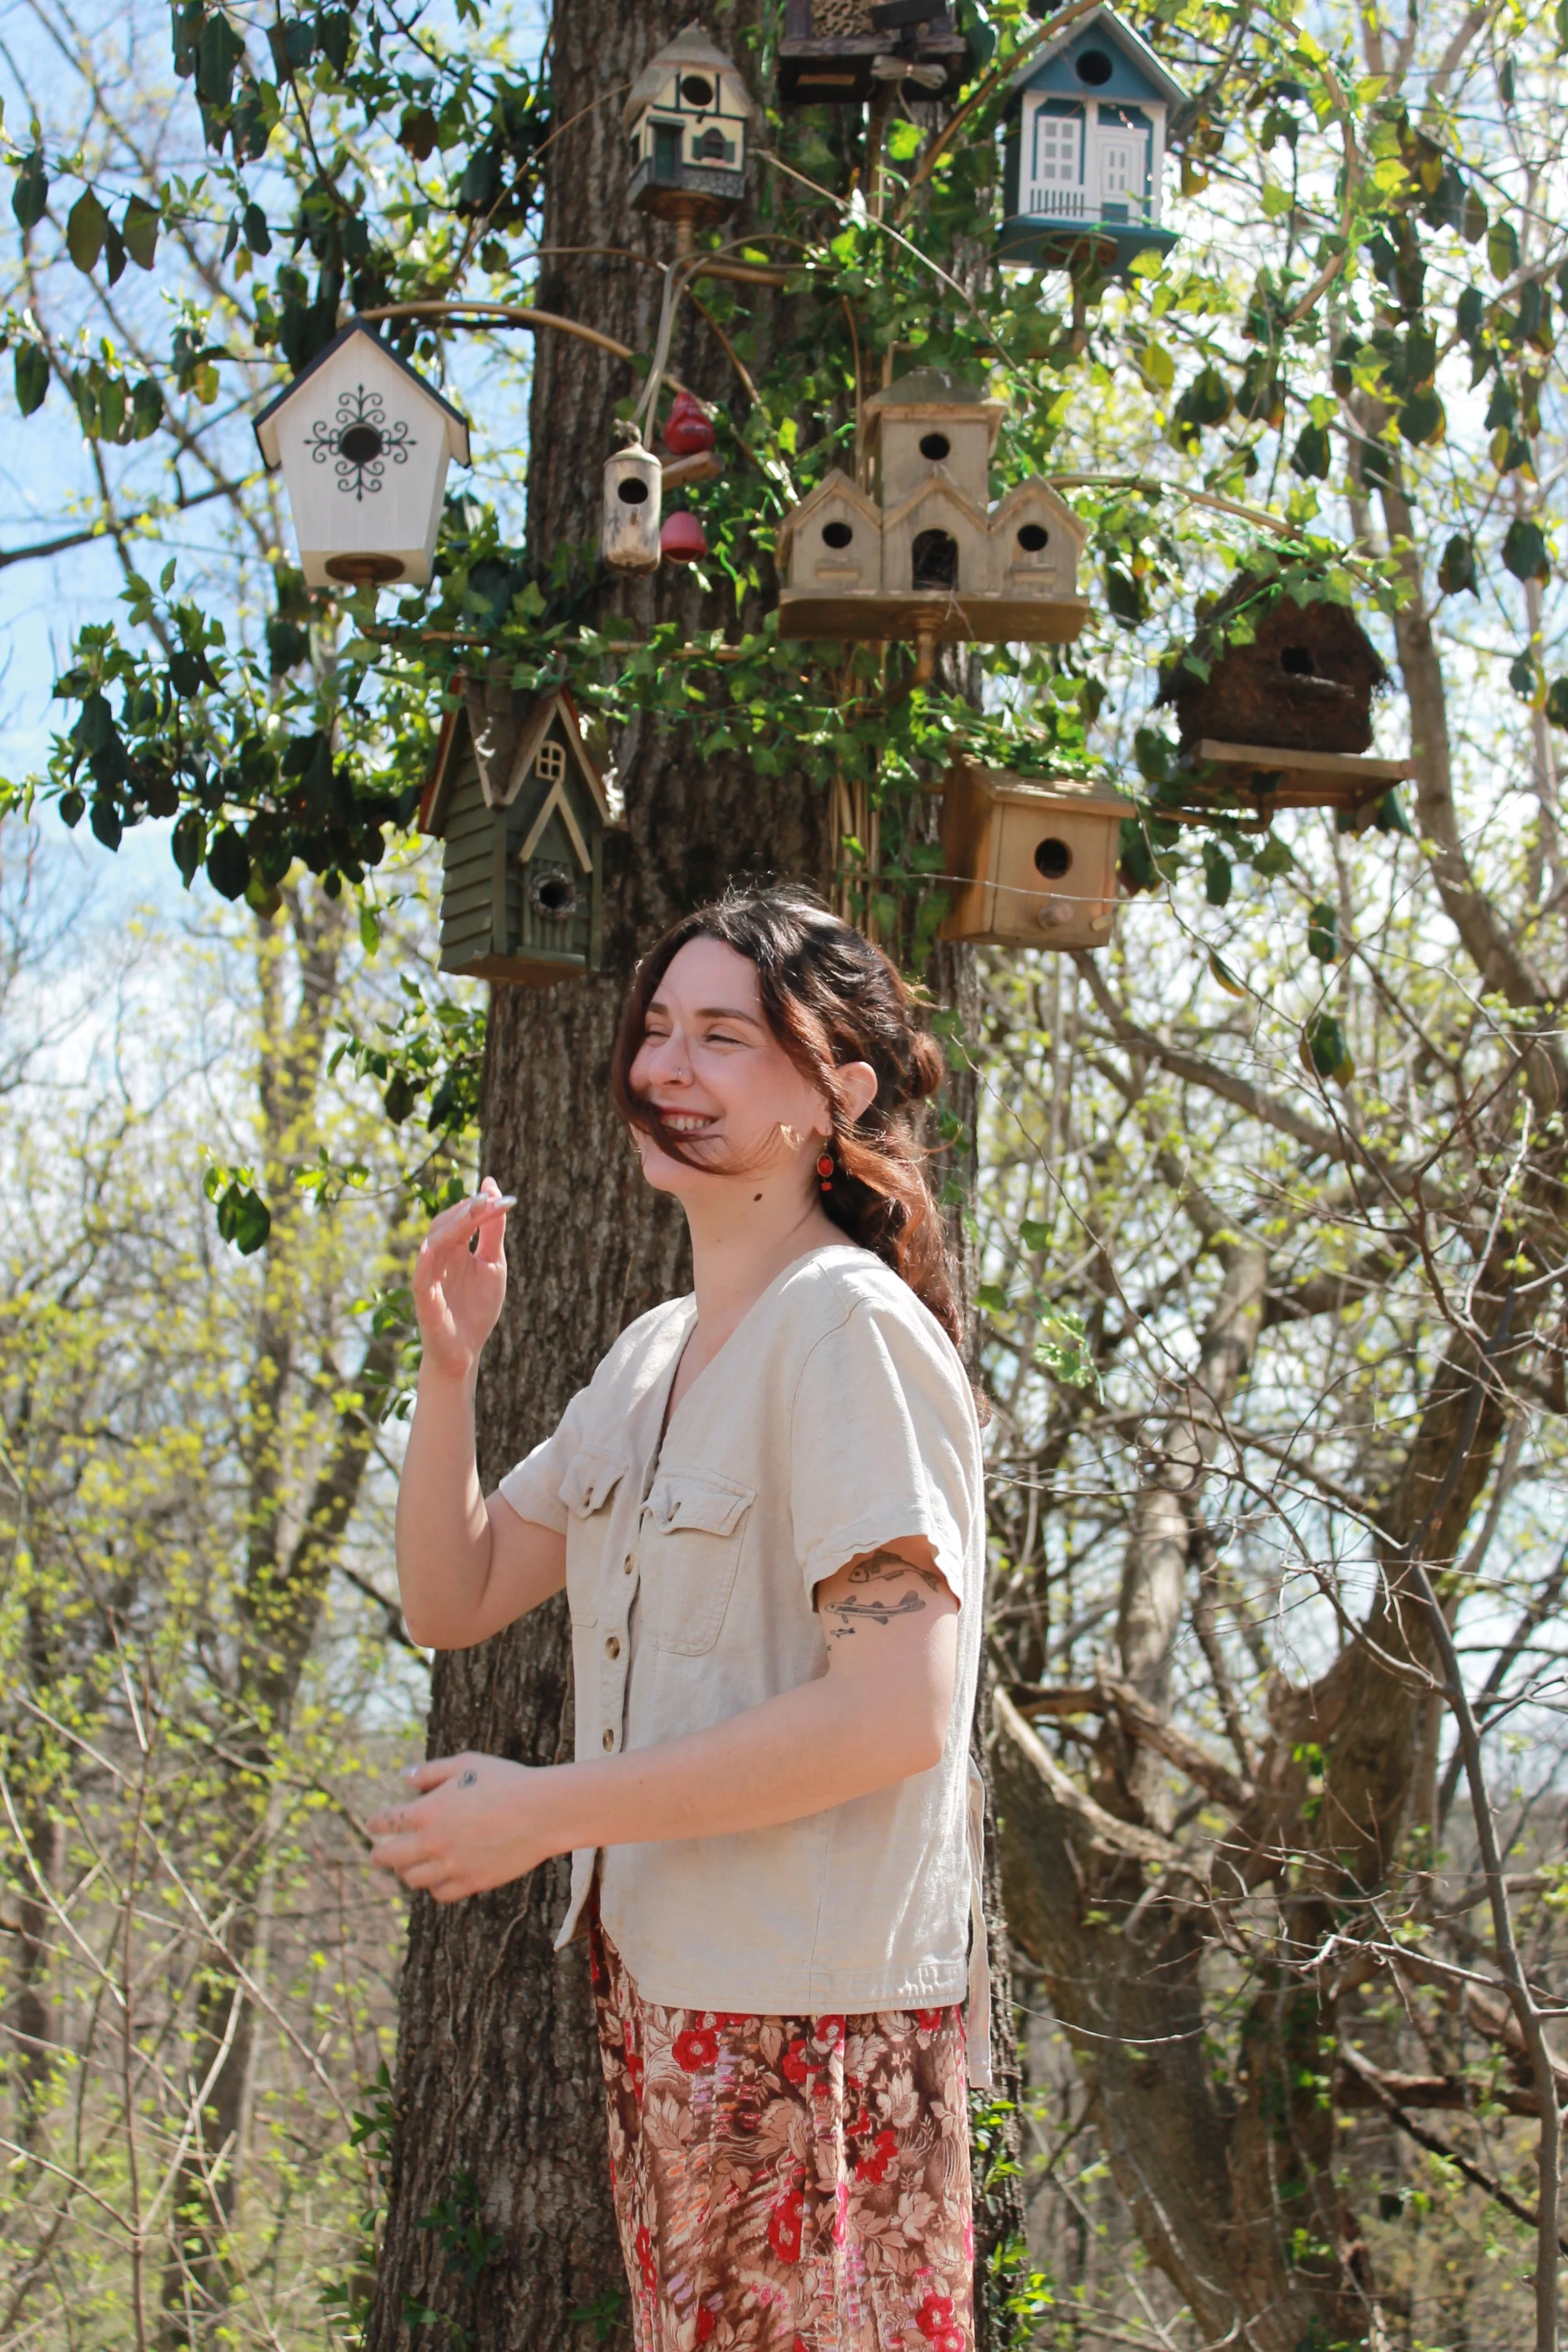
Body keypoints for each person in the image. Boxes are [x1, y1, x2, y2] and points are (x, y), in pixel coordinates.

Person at [370, 886, 988, 2352]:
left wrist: (548, 1811)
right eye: (656, 1029)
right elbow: (451, 1595)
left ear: (836, 1092)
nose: (665, 1070)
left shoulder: (847, 1332)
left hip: (808, 2030)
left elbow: (893, 1715)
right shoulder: (652, 1356)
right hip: (665, 2002)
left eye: (723, 1037)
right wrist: (450, 1370)